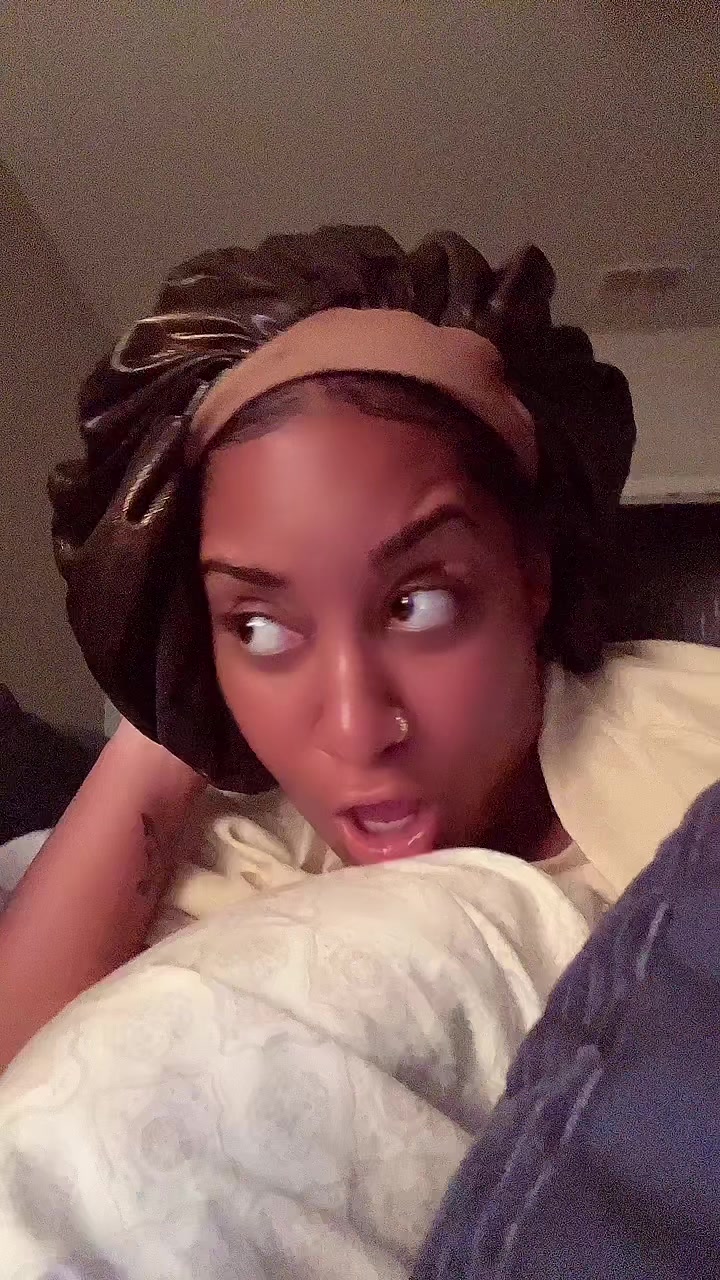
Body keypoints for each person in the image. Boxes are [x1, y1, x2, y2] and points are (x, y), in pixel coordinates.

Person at [0, 227, 717, 1278]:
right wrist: (169, 714)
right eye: (259, 625)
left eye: (419, 603)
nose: (353, 726)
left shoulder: (693, 737)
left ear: (532, 574)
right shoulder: (228, 862)